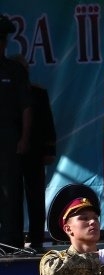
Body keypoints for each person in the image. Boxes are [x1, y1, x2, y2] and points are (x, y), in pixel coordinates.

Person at [15, 55, 55, 253]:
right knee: (11, 197)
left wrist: (50, 150)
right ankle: (12, 237)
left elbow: (48, 123)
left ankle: (37, 236)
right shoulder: (6, 91)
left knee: (36, 196)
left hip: (35, 151)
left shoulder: (38, 92)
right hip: (11, 153)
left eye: (25, 68)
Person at [0, 14, 31, 251]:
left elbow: (26, 107)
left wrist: (24, 138)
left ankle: (11, 243)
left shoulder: (14, 70)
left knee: (11, 190)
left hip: (9, 137)